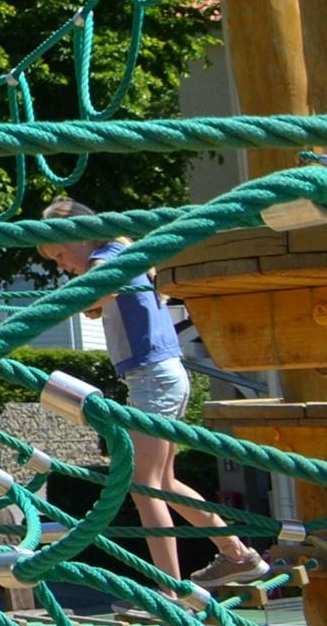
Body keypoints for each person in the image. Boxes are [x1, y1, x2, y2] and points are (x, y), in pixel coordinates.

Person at [37, 197, 269, 591]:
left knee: (143, 486)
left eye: (60, 255)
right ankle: (237, 555)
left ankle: (171, 592)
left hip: (154, 380)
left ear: (82, 236)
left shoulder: (110, 257)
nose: (62, 266)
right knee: (163, 483)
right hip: (162, 377)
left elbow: (94, 290)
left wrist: (65, 302)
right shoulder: (125, 255)